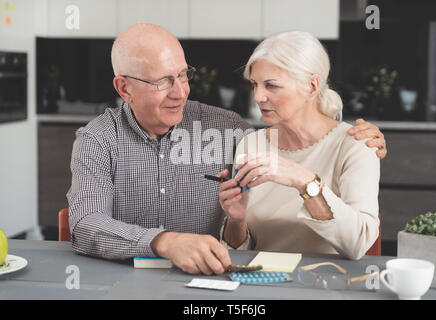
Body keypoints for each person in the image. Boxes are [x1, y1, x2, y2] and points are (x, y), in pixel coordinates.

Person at [67, 23, 386, 275]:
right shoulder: (98, 140)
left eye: (183, 75)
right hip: (130, 279)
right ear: (124, 88)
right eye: (163, 81)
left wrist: (363, 142)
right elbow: (84, 225)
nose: (180, 92)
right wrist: (166, 242)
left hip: (222, 280)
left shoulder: (232, 131)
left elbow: (301, 142)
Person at [219, 31, 380, 260]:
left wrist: (304, 181)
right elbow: (239, 252)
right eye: (255, 84)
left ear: (311, 87)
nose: (258, 96)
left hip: (326, 285)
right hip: (262, 285)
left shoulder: (355, 144)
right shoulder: (252, 143)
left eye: (271, 86)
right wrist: (236, 221)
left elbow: (357, 244)